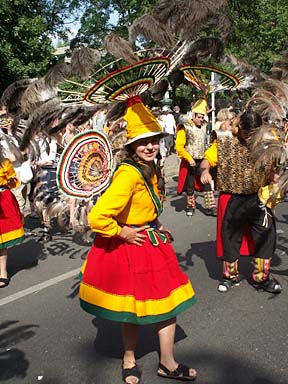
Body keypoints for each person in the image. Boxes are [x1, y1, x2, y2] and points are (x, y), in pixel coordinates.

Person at [79, 96, 197, 383]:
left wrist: (155, 223)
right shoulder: (128, 175)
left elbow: (143, 206)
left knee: (167, 305)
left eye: (153, 140)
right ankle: (129, 358)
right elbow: (97, 218)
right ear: (131, 146)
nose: (150, 146)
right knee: (131, 310)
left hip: (151, 243)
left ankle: (167, 362)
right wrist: (123, 232)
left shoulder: (151, 169)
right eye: (143, 142)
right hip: (132, 247)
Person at [200, 108, 282, 294]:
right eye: (247, 133)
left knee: (266, 237)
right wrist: (204, 171)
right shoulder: (225, 140)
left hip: (259, 197)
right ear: (240, 128)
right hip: (233, 197)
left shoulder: (268, 143)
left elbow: (274, 170)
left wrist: (276, 178)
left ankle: (262, 278)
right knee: (230, 239)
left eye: (255, 134)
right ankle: (230, 276)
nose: (251, 138)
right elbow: (207, 160)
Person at [175, 97, 216, 216]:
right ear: (193, 116)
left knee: (207, 182)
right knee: (190, 185)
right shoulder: (185, 127)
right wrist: (189, 158)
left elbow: (206, 118)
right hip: (190, 161)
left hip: (202, 160)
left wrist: (206, 110)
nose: (201, 119)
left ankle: (210, 207)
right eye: (199, 117)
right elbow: (179, 147)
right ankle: (190, 206)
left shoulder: (204, 125)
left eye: (202, 117)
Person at [0, 153, 25, 288]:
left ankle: (2, 272)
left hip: (3, 202)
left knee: (1, 242)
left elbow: (15, 182)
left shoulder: (4, 163)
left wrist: (11, 180)